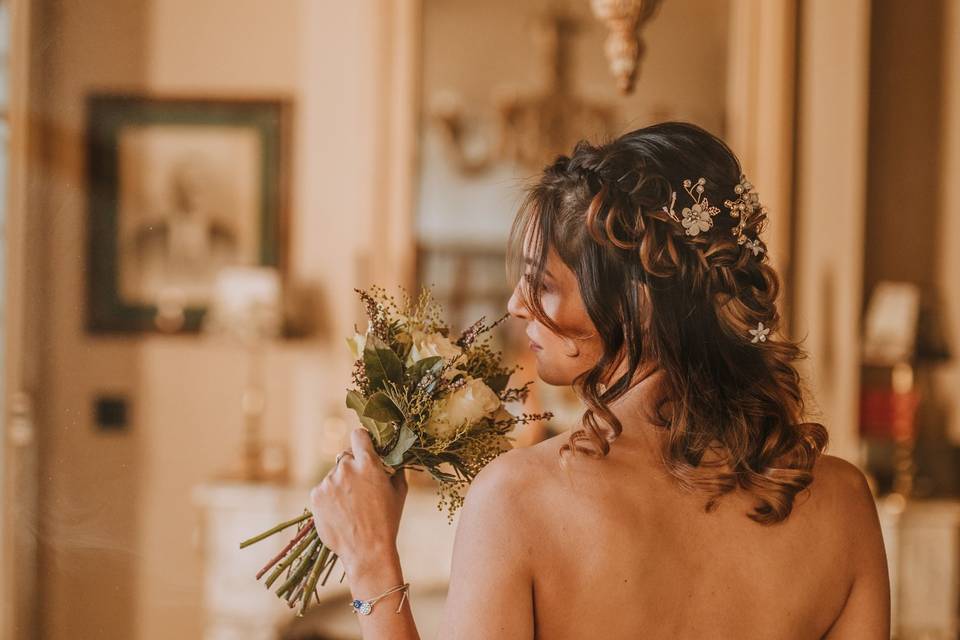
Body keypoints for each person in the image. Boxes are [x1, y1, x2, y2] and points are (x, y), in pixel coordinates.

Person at [308, 122, 890, 639]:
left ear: (635, 300)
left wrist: (369, 558)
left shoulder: (517, 499)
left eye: (545, 283)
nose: (516, 305)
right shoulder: (843, 504)